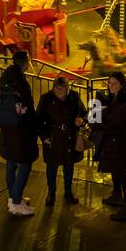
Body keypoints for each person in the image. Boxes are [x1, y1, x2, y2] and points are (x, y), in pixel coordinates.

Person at [0, 51, 38, 217]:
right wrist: (33, 122)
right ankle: (16, 203)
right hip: (20, 130)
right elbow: (25, 106)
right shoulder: (20, 81)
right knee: (25, 163)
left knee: (11, 162)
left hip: (7, 127)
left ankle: (14, 197)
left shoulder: (5, 77)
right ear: (25, 62)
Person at [94, 70, 126, 221]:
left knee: (122, 173)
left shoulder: (123, 102)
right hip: (116, 143)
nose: (110, 85)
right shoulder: (116, 98)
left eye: (114, 83)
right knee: (116, 170)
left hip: (122, 145)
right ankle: (116, 195)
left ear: (122, 85)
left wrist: (98, 123)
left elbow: (114, 124)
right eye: (109, 82)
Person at [36, 74, 85, 207]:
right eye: (57, 88)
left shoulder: (74, 97)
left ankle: (68, 193)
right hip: (53, 138)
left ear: (67, 88)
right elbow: (39, 120)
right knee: (52, 167)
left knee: (69, 166)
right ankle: (51, 193)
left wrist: (81, 119)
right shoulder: (45, 98)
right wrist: (44, 137)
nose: (59, 91)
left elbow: (84, 112)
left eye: (62, 89)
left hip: (69, 137)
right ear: (53, 88)